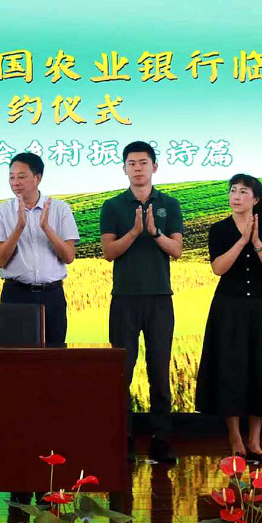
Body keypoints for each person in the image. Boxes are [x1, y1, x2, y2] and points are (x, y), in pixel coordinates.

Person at [194, 174, 262, 465]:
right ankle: (235, 438)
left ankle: (255, 440)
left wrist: (258, 242)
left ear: (256, 199)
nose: (236, 196)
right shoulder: (219, 229)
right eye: (233, 191)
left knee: (261, 369)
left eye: (243, 192)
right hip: (228, 308)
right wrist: (242, 241)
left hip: (261, 308)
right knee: (230, 369)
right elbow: (218, 268)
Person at [100, 141, 183, 464]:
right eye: (132, 163)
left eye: (143, 162)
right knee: (122, 371)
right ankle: (124, 438)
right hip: (124, 299)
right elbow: (109, 252)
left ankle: (161, 439)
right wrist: (135, 232)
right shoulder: (112, 206)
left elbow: (176, 250)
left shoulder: (169, 204)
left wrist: (154, 232)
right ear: (124, 169)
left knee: (159, 370)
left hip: (160, 298)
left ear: (154, 167)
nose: (138, 168)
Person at [0, 152, 79, 347]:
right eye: (11, 177)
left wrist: (46, 228)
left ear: (38, 178)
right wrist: (19, 227)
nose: (15, 182)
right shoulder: (1, 212)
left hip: (52, 295)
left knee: (54, 355)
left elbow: (69, 256)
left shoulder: (60, 209)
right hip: (16, 294)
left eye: (21, 176)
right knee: (15, 356)